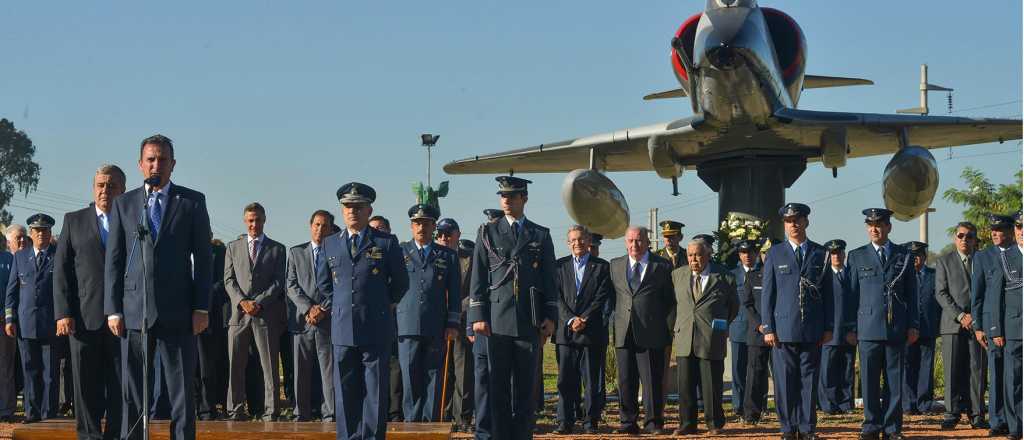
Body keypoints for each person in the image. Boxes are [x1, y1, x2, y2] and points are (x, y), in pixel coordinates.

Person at [104, 134, 213, 440]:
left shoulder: (191, 202)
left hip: (178, 312)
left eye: (162, 159)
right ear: (140, 164)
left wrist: (201, 307)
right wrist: (113, 309)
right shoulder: (125, 204)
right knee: (133, 392)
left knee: (181, 393)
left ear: (173, 164)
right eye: (150, 159)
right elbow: (114, 259)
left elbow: (204, 258)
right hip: (134, 311)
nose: (156, 165)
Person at [468, 176, 557, 440]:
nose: (506, 200)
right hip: (497, 321)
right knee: (498, 388)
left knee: (526, 389)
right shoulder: (487, 232)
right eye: (503, 195)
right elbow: (478, 278)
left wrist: (550, 316)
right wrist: (478, 315)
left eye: (512, 195)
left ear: (524, 198)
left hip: (529, 319)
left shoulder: (540, 234)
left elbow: (549, 280)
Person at [317, 182, 408, 440]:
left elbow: (401, 282)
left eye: (358, 207)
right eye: (347, 206)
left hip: (375, 326)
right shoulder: (330, 243)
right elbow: (323, 283)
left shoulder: (385, 242)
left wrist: (382, 304)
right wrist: (340, 305)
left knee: (375, 391)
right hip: (343, 327)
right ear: (342, 210)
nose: (352, 211)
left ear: (369, 210)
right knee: (345, 391)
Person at [53, 164, 126, 439]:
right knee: (85, 386)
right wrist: (63, 312)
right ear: (93, 188)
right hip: (83, 319)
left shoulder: (132, 220)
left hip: (122, 319)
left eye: (112, 185)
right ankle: (89, 435)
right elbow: (61, 270)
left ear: (123, 190)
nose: (105, 190)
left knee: (120, 385)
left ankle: (116, 434)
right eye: (101, 185)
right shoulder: (74, 220)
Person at [761, 203, 833, 440]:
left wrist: (828, 327)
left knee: (809, 381)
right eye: (789, 221)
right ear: (784, 225)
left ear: (806, 222)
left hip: (812, 328)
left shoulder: (821, 253)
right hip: (783, 329)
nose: (793, 225)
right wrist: (768, 327)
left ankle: (807, 427)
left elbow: (829, 294)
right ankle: (787, 428)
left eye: (797, 220)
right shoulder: (775, 253)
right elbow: (768, 293)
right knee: (784, 381)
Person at [847, 208, 918, 440]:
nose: (874, 229)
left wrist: (913, 324)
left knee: (894, 381)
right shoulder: (856, 256)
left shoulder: (903, 255)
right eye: (870, 225)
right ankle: (871, 425)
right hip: (867, 328)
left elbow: (912, 294)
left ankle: (892, 428)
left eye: (879, 224)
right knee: (869, 381)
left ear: (889, 227)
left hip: (896, 327)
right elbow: (851, 296)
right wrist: (850, 327)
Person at [396, 204, 460, 422]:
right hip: (406, 325)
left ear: (434, 227)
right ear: (411, 226)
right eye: (417, 223)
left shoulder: (448, 256)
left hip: (436, 326)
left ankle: (429, 425)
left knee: (434, 378)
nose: (421, 227)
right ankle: (411, 424)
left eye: (426, 223)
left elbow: (454, 294)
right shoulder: (399, 252)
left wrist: (452, 324)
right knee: (409, 378)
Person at [609, 226, 675, 435]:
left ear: (647, 242)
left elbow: (670, 301)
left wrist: (668, 330)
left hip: (652, 332)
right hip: (624, 331)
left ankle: (654, 422)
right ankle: (628, 422)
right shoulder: (615, 265)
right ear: (625, 243)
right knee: (625, 380)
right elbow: (611, 298)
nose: (634, 245)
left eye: (638, 240)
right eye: (630, 241)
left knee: (651, 380)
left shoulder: (662, 266)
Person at [224, 203, 287, 421]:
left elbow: (279, 282)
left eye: (258, 220)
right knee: (235, 366)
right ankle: (235, 409)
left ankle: (272, 411)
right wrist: (242, 302)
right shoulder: (233, 247)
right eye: (250, 220)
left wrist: (258, 302)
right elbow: (228, 280)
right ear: (245, 221)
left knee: (269, 366)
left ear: (264, 220)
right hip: (238, 315)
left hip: (265, 315)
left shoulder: (277, 249)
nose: (254, 224)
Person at [672, 237, 738, 435]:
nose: (694, 259)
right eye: (690, 255)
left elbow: (733, 307)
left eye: (698, 255)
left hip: (711, 339)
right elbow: (672, 306)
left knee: (711, 385)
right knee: (685, 385)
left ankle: (714, 424)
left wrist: (718, 326)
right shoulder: (677, 275)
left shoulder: (725, 277)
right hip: (685, 338)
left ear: (708, 255)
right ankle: (687, 424)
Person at [553, 225, 612, 435]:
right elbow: (556, 297)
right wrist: (571, 320)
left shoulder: (602, 267)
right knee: (565, 380)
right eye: (573, 240)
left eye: (581, 239)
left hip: (591, 331)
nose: (577, 243)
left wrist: (584, 318)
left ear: (588, 241)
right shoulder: (559, 266)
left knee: (591, 380)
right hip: (566, 332)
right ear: (568, 243)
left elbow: (601, 297)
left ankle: (590, 422)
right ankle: (565, 421)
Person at [5, 214, 59, 423]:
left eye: (45, 230)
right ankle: (32, 413)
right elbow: (12, 291)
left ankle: (49, 414)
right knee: (29, 370)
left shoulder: (58, 254)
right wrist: (10, 320)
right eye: (37, 231)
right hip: (26, 323)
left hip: (51, 323)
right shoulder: (20, 257)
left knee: (50, 374)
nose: (41, 234)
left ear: (50, 233)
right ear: (31, 233)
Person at [935, 222, 988, 430]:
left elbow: (989, 290)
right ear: (954, 238)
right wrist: (960, 315)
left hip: (978, 324)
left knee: (977, 370)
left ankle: (977, 414)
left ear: (975, 240)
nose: (964, 239)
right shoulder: (944, 261)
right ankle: (951, 413)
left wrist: (976, 317)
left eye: (969, 236)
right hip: (952, 324)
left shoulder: (983, 260)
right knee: (952, 371)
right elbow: (941, 293)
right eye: (960, 235)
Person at [973, 213, 1020, 439]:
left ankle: (1014, 420)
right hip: (992, 323)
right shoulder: (983, 256)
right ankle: (997, 419)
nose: (994, 233)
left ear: (1011, 231)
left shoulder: (1017, 253)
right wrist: (979, 326)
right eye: (992, 230)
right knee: (997, 370)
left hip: (1014, 322)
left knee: (1013, 375)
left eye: (999, 229)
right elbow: (978, 293)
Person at [287, 210, 336, 422]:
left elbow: (340, 286)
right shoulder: (296, 252)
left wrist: (322, 309)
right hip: (302, 322)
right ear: (310, 226)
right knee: (301, 372)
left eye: (325, 226)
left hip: (328, 321)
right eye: (317, 224)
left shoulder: (338, 254)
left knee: (329, 372)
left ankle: (330, 414)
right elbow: (291, 285)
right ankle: (301, 413)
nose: (320, 229)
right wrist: (308, 309)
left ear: (331, 229)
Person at [436, 219, 475, 432]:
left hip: (461, 321)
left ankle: (463, 418)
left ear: (458, 234)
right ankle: (442, 414)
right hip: (435, 323)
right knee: (441, 372)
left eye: (449, 233)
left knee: (463, 372)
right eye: (440, 233)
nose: (444, 237)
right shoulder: (431, 256)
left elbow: (475, 290)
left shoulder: (470, 258)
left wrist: (456, 310)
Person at [368, 215, 402, 423]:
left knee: (395, 367)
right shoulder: (365, 252)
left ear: (388, 230)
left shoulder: (395, 250)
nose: (377, 231)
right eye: (373, 228)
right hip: (370, 320)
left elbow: (401, 282)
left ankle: (395, 412)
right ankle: (376, 411)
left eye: (381, 228)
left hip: (394, 316)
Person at [818, 239, 856, 415]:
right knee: (827, 370)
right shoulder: (823, 277)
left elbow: (858, 303)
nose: (836, 256)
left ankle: (846, 403)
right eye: (832, 253)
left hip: (849, 332)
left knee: (847, 369)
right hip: (829, 332)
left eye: (839, 252)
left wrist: (854, 330)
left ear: (844, 254)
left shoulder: (852, 275)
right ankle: (828, 404)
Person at [903, 241, 939, 414]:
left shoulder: (935, 275)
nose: (915, 258)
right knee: (908, 366)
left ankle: (924, 403)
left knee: (926, 367)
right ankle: (909, 404)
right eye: (912, 255)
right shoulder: (902, 275)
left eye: (918, 255)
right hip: (907, 329)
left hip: (928, 328)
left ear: (924, 257)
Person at [196, 237, 229, 421]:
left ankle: (207, 409)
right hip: (181, 315)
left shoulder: (218, 252)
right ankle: (190, 406)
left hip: (208, 314)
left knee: (206, 365)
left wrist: (201, 294)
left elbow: (223, 281)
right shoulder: (179, 249)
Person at [740, 238, 769, 425]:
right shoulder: (752, 276)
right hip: (758, 332)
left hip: (780, 332)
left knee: (782, 374)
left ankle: (785, 412)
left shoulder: (783, 275)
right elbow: (747, 304)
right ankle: (751, 414)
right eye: (765, 253)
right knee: (755, 374)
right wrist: (759, 324)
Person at [729, 236, 757, 418]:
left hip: (758, 329)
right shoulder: (731, 275)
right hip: (738, 328)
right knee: (738, 370)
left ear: (756, 253)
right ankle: (738, 405)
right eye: (743, 252)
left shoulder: (764, 272)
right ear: (739, 255)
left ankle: (757, 404)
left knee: (756, 369)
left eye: (750, 252)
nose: (747, 256)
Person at [0, 225, 23, 423]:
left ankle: (6, 409)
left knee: (5, 366)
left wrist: (9, 317)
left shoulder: (9, 259)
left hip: (3, 321)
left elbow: (14, 290)